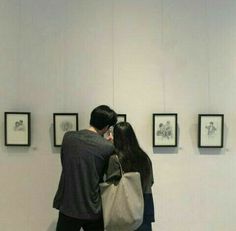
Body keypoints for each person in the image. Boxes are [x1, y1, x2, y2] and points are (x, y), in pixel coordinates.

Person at [53, 105, 117, 231]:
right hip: (92, 207)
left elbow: (65, 163)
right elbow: (107, 175)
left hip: (68, 205)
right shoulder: (107, 147)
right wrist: (111, 145)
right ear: (106, 127)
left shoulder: (68, 137)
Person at [106, 122, 155, 231]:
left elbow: (111, 186)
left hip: (124, 208)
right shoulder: (144, 158)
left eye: (112, 134)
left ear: (117, 138)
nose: (109, 137)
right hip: (144, 205)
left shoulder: (115, 159)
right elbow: (150, 181)